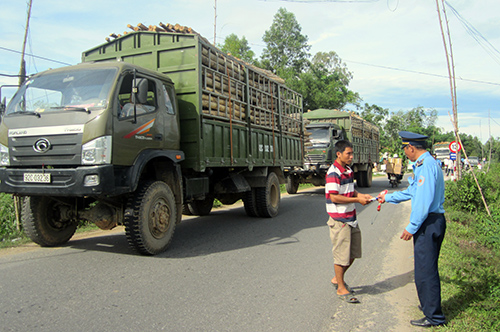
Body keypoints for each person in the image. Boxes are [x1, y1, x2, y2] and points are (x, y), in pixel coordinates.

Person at [378, 131, 446, 327]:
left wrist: (411, 227)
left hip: (428, 222)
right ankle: (428, 306)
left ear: (411, 148)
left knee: (425, 271)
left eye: (405, 149)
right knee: (426, 268)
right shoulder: (425, 164)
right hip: (432, 220)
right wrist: (387, 198)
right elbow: (412, 192)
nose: (406, 153)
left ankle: (434, 317)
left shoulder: (426, 167)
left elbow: (423, 202)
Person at [325, 140, 373, 304]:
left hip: (351, 217)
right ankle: (341, 288)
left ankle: (337, 279)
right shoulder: (333, 173)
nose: (351, 157)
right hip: (339, 219)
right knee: (341, 256)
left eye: (352, 153)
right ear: (338, 154)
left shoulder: (348, 170)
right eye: (348, 154)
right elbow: (335, 197)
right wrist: (357, 200)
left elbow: (350, 190)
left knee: (353, 253)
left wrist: (360, 196)